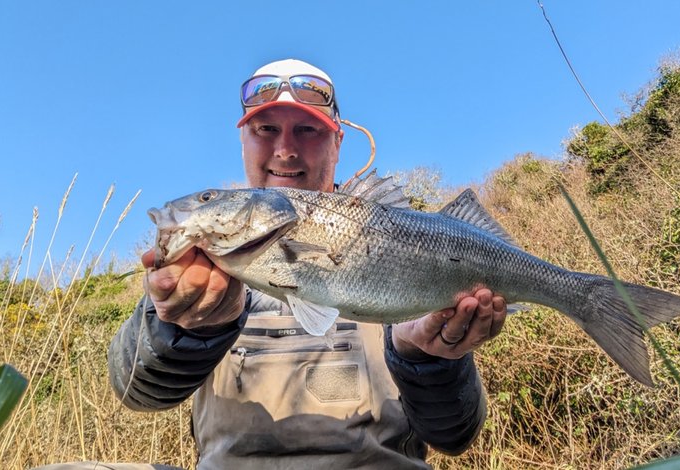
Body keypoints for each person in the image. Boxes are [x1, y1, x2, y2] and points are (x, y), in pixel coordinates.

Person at [37, 59, 507, 470]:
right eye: (266, 130)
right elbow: (136, 393)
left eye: (307, 129)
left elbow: (455, 437)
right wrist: (185, 329)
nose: (285, 149)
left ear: (337, 144)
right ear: (244, 139)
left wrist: (425, 358)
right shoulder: (199, 263)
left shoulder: (396, 239)